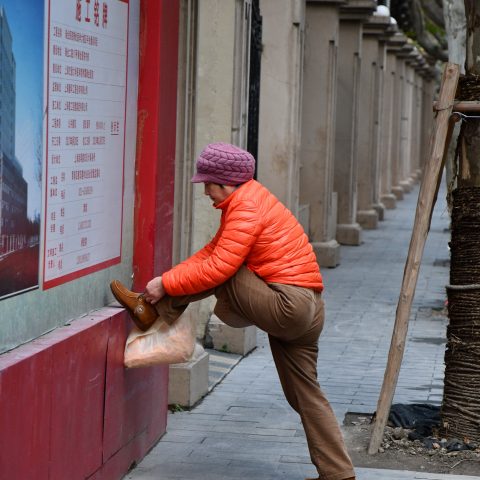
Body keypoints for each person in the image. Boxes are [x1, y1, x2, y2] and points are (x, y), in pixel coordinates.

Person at [111, 142, 355, 480]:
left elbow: (219, 267)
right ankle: (338, 474)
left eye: (207, 183)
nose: (205, 192)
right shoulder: (248, 200)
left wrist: (166, 286)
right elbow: (212, 250)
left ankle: (152, 312)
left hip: (288, 306)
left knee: (227, 270)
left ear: (224, 182)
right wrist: (166, 280)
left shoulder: (246, 208)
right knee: (305, 395)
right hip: (310, 308)